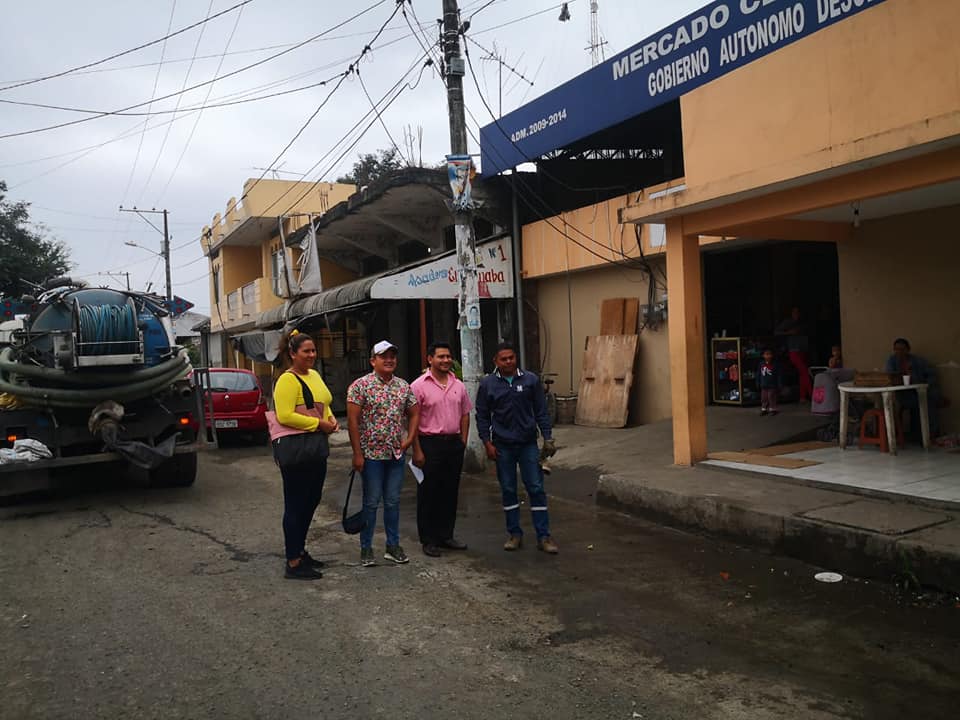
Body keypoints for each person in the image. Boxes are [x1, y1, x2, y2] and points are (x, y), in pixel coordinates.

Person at [475, 342, 558, 554]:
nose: (508, 362)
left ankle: (544, 536)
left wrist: (548, 437)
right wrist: (487, 443)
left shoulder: (530, 380)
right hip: (502, 446)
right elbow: (482, 416)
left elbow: (541, 411)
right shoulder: (488, 384)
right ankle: (514, 534)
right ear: (495, 361)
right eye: (503, 359)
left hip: (528, 444)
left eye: (511, 358)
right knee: (508, 489)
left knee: (536, 488)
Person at [273, 330, 339, 581]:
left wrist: (331, 419)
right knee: (296, 504)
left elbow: (325, 402)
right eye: (306, 351)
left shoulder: (314, 375)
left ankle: (300, 550)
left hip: (316, 449)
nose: (311, 355)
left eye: (313, 350)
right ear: (292, 354)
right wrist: (318, 424)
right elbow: (284, 415)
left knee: (311, 499)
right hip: (297, 451)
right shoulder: (287, 380)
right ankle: (293, 561)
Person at [347, 340, 419, 567]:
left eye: (392, 356)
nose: (389, 360)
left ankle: (392, 545)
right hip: (371, 456)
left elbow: (415, 413)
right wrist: (357, 454)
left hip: (395, 454)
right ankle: (366, 548)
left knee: (393, 501)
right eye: (383, 356)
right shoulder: (360, 386)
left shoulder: (403, 386)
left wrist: (409, 439)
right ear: (373, 361)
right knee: (371, 502)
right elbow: (352, 421)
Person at [411, 341, 472, 558]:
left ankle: (446, 535)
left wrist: (463, 440)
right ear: (430, 359)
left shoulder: (458, 385)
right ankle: (429, 540)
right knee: (429, 493)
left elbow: (465, 414)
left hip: (453, 444)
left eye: (448, 356)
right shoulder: (418, 386)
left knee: (450, 491)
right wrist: (416, 450)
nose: (446, 360)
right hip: (429, 444)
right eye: (441, 357)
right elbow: (411, 420)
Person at [884, 337, 939, 438]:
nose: (899, 352)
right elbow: (889, 376)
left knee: (929, 400)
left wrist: (926, 385)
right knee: (915, 403)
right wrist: (901, 375)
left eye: (902, 349)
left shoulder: (917, 361)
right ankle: (916, 434)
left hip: (918, 391)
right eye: (896, 349)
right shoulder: (892, 361)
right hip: (902, 394)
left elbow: (932, 373)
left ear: (908, 350)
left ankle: (930, 433)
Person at [776, 306, 812, 402]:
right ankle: (812, 395)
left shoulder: (802, 323)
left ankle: (802, 397)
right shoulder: (788, 322)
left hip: (803, 350)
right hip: (793, 351)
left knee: (802, 374)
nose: (797, 314)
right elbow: (776, 332)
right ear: (791, 313)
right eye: (794, 312)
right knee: (805, 372)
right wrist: (789, 332)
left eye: (798, 312)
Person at [757, 348, 781, 416]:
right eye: (766, 354)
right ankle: (764, 409)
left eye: (769, 354)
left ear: (772, 355)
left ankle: (773, 409)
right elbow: (758, 374)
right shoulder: (761, 364)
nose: (768, 356)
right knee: (763, 397)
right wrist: (758, 382)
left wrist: (779, 384)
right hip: (764, 384)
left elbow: (778, 375)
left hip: (772, 384)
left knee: (771, 396)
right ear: (763, 355)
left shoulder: (775, 364)